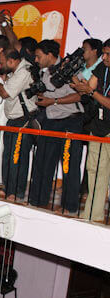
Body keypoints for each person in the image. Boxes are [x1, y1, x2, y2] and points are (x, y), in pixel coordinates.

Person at [28, 40, 84, 214]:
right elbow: (47, 94)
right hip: (51, 121)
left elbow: (79, 95)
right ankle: (37, 201)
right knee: (42, 161)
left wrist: (54, 101)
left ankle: (69, 207)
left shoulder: (71, 69)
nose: (36, 59)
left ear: (50, 55)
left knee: (69, 165)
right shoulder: (45, 73)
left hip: (71, 121)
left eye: (38, 56)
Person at [0, 48, 38, 201]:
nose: (0, 66)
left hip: (23, 119)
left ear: (11, 61)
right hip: (13, 119)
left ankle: (15, 193)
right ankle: (8, 189)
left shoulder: (24, 72)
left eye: (1, 62)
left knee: (16, 157)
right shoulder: (15, 72)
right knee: (8, 156)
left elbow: (5, 93)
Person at [71, 39, 110, 222]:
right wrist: (74, 79)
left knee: (103, 172)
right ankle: (91, 214)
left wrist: (90, 91)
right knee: (93, 169)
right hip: (98, 126)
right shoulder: (102, 66)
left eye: (108, 54)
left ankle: (96, 215)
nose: (104, 57)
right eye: (104, 53)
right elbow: (89, 88)